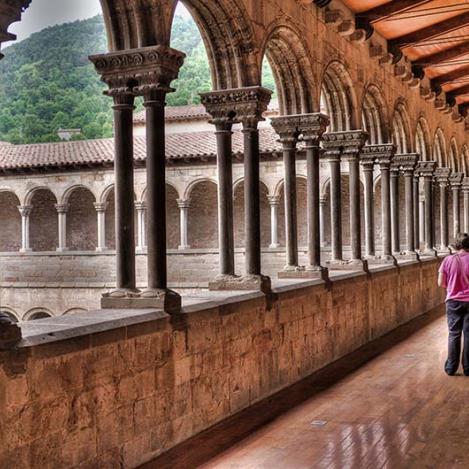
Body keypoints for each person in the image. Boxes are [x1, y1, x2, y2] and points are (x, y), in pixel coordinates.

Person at [438, 233, 469, 376]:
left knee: (454, 334)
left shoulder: (448, 260)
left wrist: (453, 286)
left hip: (453, 301)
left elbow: (441, 283)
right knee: (468, 335)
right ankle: (468, 368)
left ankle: (451, 367)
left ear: (457, 245)